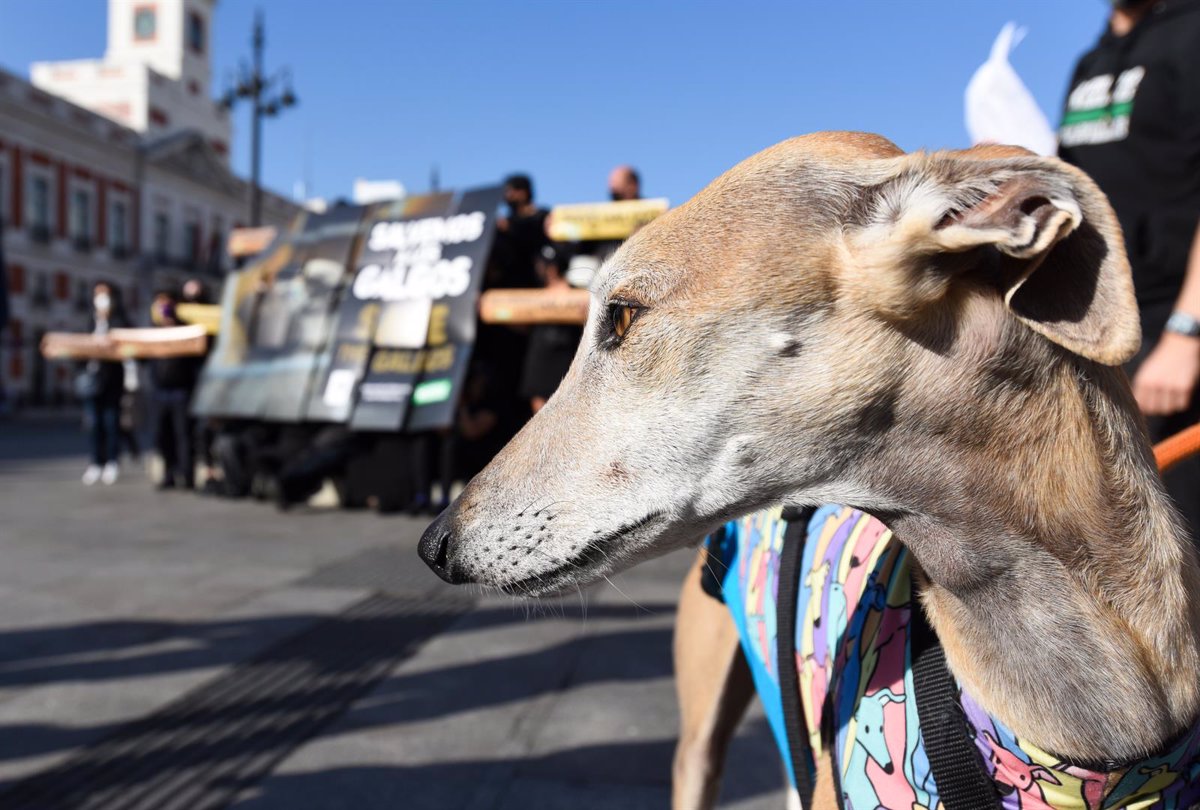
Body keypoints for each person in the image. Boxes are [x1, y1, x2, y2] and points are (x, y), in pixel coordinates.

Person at [1058, 0, 1200, 542]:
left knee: (1183, 533)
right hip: (1111, 327)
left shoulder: (1190, 32)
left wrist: (1186, 334)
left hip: (1177, 326)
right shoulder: (1089, 63)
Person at [519, 245, 584, 413]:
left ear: (552, 268)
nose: (538, 268)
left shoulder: (576, 293)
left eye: (542, 265)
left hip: (566, 361)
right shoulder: (535, 294)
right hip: (540, 362)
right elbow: (523, 326)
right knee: (539, 413)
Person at [149, 289, 201, 489]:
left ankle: (187, 476)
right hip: (160, 390)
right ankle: (169, 474)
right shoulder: (154, 332)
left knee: (184, 435)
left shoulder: (187, 331)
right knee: (163, 435)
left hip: (181, 390)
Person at [79, 281, 129, 485]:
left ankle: (112, 461)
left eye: (105, 294)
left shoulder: (120, 320)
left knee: (111, 423)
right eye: (97, 294)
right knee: (94, 424)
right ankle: (95, 462)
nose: (101, 298)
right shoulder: (90, 320)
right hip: (93, 382)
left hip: (112, 382)